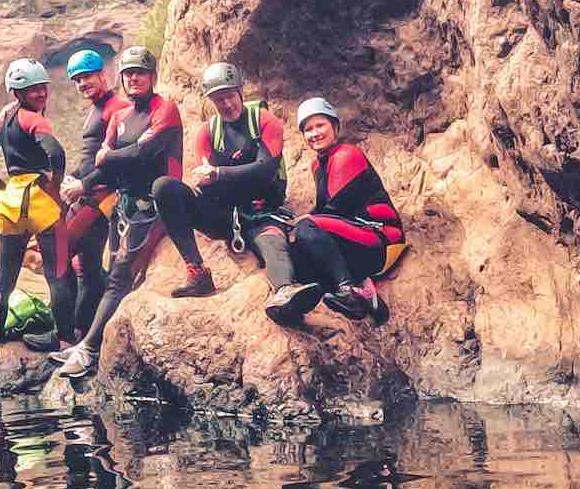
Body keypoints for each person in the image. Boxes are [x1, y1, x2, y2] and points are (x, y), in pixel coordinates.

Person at [152, 62, 323, 326]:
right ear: (210, 101)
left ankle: (284, 292)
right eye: (219, 100)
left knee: (272, 243)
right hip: (224, 215)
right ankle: (197, 273)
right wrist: (222, 178)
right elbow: (208, 183)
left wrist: (220, 174)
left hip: (262, 212)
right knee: (164, 187)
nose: (227, 104)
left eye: (230, 96)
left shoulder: (264, 121)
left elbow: (265, 170)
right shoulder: (207, 132)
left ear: (240, 92)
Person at [58, 45, 182, 380]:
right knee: (112, 273)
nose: (134, 79)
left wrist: (108, 158)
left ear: (152, 77)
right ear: (121, 78)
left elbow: (143, 153)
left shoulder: (164, 109)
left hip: (155, 203)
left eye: (140, 73)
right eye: (129, 74)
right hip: (124, 205)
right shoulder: (119, 117)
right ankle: (90, 340)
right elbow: (113, 161)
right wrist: (104, 165)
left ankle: (88, 347)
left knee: (118, 277)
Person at [0, 59, 70, 383]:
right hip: (38, 199)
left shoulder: (5, 116)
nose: (40, 93)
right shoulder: (33, 119)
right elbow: (56, 153)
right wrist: (54, 186)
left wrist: (0, 185)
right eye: (33, 89)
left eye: (43, 88)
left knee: (4, 280)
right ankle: (66, 343)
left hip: (11, 201)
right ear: (18, 92)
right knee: (58, 274)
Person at [287, 97, 403, 322]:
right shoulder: (318, 164)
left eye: (320, 125)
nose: (314, 133)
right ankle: (365, 297)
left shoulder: (346, 154)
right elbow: (325, 211)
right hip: (357, 238)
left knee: (306, 228)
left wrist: (300, 223)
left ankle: (346, 290)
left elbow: (334, 209)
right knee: (300, 249)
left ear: (335, 127)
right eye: (308, 129)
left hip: (381, 238)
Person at [53, 48, 126, 346]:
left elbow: (118, 160)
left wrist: (83, 186)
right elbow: (89, 157)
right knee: (89, 268)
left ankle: (66, 336)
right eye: (77, 80)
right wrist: (71, 178)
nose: (82, 84)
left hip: (98, 199)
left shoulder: (117, 108)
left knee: (58, 259)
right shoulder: (97, 109)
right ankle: (83, 333)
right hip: (88, 195)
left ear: (102, 75)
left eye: (87, 78)